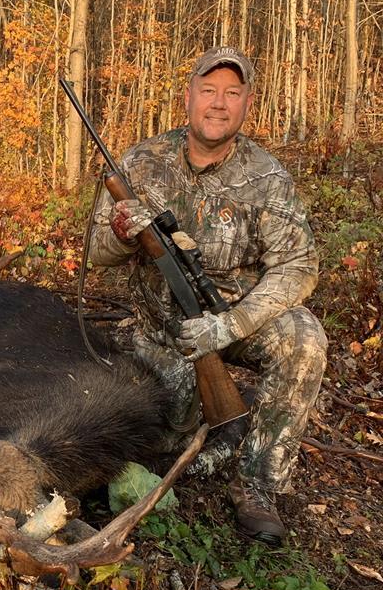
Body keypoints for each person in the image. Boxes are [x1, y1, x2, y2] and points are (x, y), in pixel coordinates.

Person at [89, 45, 327, 545]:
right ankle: (212, 423)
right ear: (189, 96)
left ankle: (257, 484)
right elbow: (96, 252)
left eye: (232, 93)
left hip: (233, 318)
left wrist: (229, 325)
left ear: (247, 104)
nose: (218, 103)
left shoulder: (266, 176)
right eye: (209, 90)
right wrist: (123, 235)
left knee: (303, 339)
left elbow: (300, 265)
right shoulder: (141, 162)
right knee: (163, 435)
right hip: (161, 327)